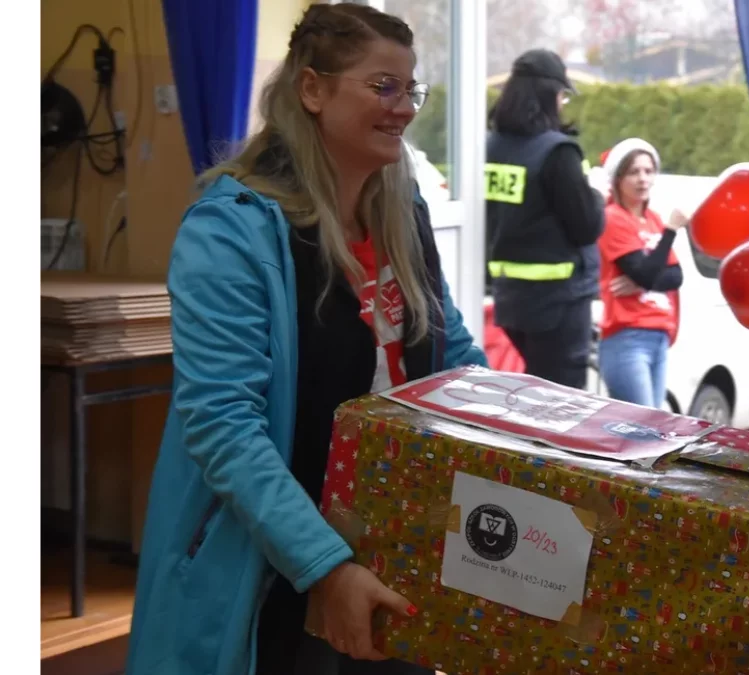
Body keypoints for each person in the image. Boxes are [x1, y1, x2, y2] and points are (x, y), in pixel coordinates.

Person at [125, 5, 488, 675]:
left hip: (393, 548)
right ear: (313, 90)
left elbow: (454, 356)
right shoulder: (230, 230)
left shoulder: (400, 213)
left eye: (412, 90)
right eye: (382, 86)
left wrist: (539, 428)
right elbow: (223, 425)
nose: (403, 107)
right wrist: (325, 564)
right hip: (276, 560)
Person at [484, 48, 605, 389]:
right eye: (563, 95)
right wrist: (596, 193)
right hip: (560, 303)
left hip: (512, 301)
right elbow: (587, 227)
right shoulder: (557, 152)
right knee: (563, 406)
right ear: (549, 95)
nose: (564, 103)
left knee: (534, 396)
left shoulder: (489, 148)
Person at [595, 138, 684, 408]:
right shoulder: (613, 217)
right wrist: (670, 232)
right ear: (618, 178)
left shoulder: (653, 219)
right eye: (634, 172)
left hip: (659, 336)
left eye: (648, 171)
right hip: (627, 338)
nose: (643, 179)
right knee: (640, 433)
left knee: (651, 433)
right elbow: (647, 273)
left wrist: (643, 283)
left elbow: (676, 276)